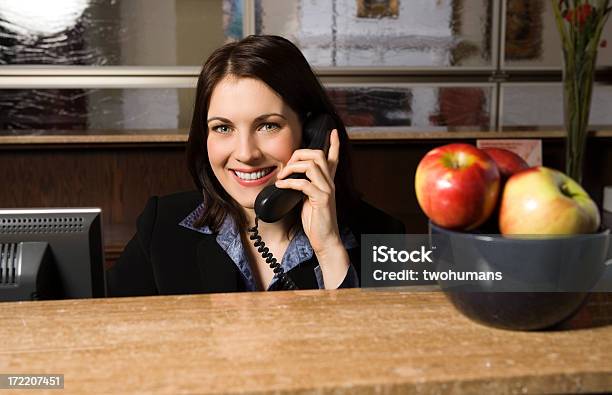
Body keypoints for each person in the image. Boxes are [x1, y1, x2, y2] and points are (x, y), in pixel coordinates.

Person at [106, 35, 404, 296]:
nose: (246, 154)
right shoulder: (161, 226)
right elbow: (106, 336)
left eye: (268, 126)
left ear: (313, 132)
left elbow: (389, 353)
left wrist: (329, 248)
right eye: (223, 128)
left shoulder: (387, 234)